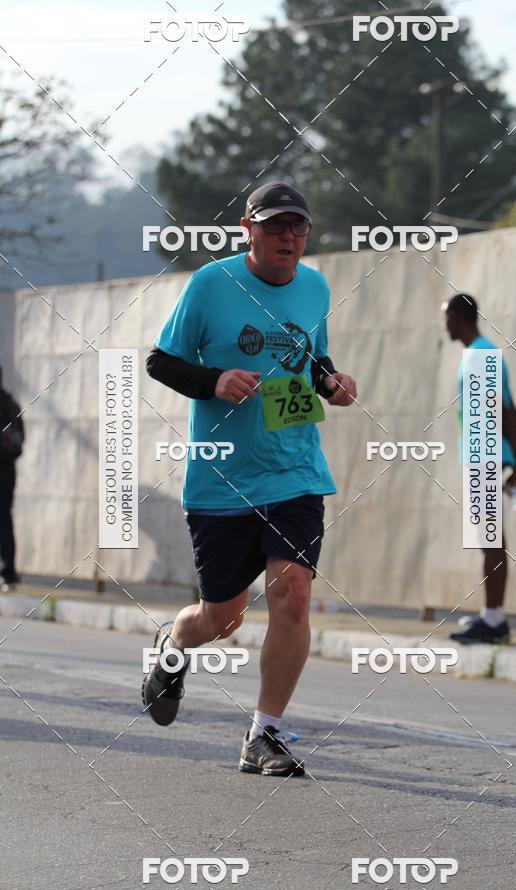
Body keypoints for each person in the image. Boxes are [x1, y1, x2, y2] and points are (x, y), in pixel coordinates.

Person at [143, 181, 357, 776]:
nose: (288, 238)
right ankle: (173, 648)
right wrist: (214, 381)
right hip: (221, 480)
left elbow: (311, 362)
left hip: (294, 472)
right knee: (222, 619)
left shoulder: (314, 287)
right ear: (248, 229)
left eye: (298, 228)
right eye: (275, 226)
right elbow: (160, 361)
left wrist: (333, 384)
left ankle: (265, 734)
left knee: (291, 595)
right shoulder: (211, 284)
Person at [442, 294, 516, 644]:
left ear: (459, 316)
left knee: (491, 539)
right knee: (488, 538)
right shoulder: (476, 354)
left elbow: (506, 412)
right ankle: (492, 617)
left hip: (485, 457)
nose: (445, 325)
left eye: (446, 317)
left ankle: (494, 621)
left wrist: (514, 463)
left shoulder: (480, 355)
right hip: (483, 456)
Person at [0, 366, 24, 591]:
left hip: (4, 471)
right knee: (4, 521)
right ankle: (8, 573)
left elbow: (15, 441)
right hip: (7, 472)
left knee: (4, 522)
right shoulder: (11, 405)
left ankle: (8, 572)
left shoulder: (8, 407)